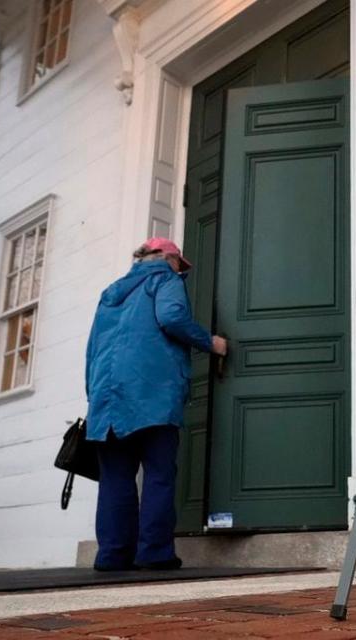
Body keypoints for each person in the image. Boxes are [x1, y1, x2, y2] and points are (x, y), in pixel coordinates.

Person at [84, 237, 227, 571]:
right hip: (153, 395)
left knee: (116, 479)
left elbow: (92, 350)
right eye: (180, 262)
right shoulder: (165, 279)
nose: (182, 271)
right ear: (164, 257)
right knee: (159, 475)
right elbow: (172, 316)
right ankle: (154, 554)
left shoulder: (112, 292)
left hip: (107, 400)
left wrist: (95, 398)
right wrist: (211, 342)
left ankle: (112, 556)